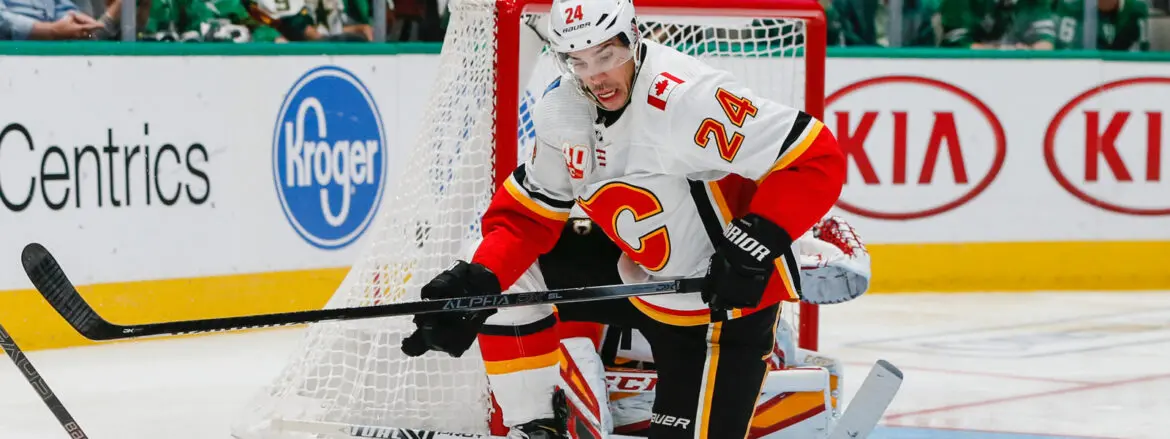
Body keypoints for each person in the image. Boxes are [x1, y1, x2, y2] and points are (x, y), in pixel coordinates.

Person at [400, 0, 847, 436]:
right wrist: (476, 284)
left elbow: (817, 159)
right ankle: (538, 426)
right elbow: (528, 216)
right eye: (576, 59)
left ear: (632, 36)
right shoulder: (562, 109)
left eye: (606, 54)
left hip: (719, 305)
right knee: (492, 272)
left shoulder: (688, 99)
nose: (595, 76)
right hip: (637, 282)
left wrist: (754, 243)